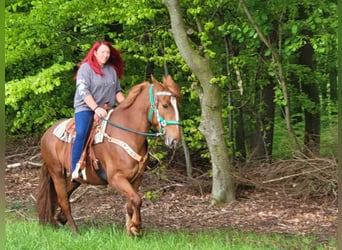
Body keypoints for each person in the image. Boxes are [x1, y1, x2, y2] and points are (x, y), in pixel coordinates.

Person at [71, 40, 125, 181]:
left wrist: (127, 106)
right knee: (82, 132)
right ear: (95, 53)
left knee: (127, 127)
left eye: (107, 52)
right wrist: (95, 108)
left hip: (107, 109)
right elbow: (83, 91)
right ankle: (75, 167)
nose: (106, 55)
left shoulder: (112, 70)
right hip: (86, 108)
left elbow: (117, 92)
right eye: (102, 52)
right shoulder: (85, 69)